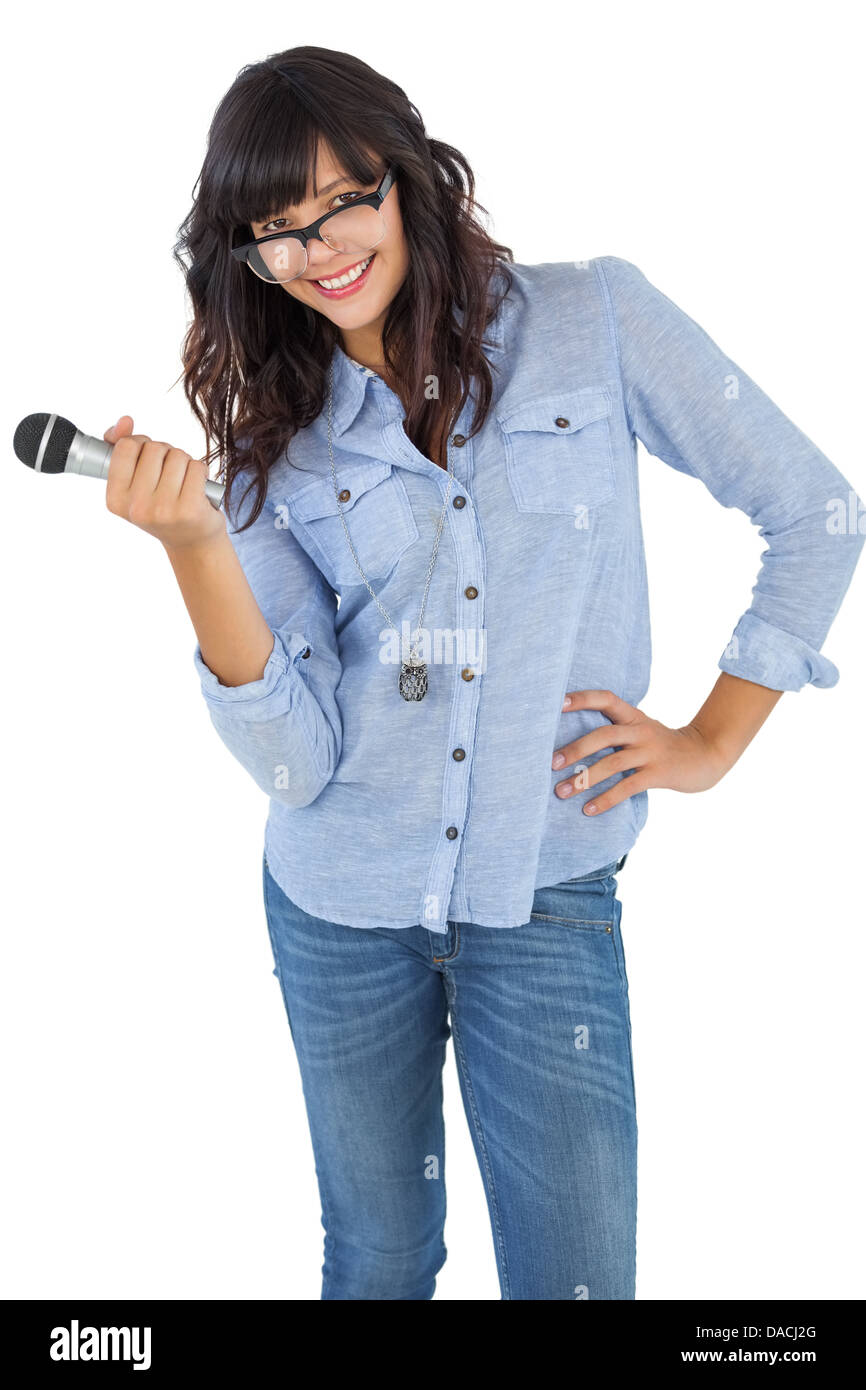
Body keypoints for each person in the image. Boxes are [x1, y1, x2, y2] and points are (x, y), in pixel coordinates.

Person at [102, 47, 864, 1300]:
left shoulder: (591, 320)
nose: (322, 250)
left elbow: (813, 510)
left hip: (546, 891)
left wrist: (713, 739)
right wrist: (194, 548)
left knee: (575, 1280)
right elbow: (298, 760)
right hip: (340, 910)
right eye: (274, 231)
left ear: (405, 178)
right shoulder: (269, 449)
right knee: (378, 1261)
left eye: (345, 198)